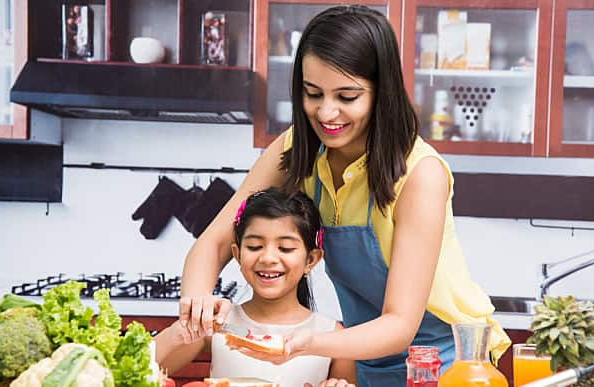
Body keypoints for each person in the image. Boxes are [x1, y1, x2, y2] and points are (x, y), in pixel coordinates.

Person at [179, 5, 511, 386]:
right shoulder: (297, 150)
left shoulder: (421, 174)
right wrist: (198, 302)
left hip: (446, 361)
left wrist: (308, 343)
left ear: (381, 93)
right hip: (364, 352)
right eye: (312, 93)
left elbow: (400, 323)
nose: (327, 112)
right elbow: (213, 243)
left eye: (347, 96)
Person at [156, 188, 356, 387]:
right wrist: (185, 325)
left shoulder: (332, 335)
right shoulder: (219, 324)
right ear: (237, 254)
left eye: (285, 248)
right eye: (254, 247)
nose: (268, 258)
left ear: (311, 260)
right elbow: (144, 367)